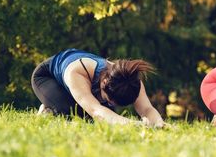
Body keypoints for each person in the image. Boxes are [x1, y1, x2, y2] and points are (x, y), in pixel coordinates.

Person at [31, 48, 165, 127]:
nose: (108, 103)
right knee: (83, 117)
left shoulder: (132, 81)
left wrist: (159, 124)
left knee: (107, 118)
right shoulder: (77, 72)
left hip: (87, 86)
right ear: (104, 82)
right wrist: (134, 124)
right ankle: (48, 109)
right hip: (47, 77)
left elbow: (147, 109)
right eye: (107, 100)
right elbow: (96, 111)